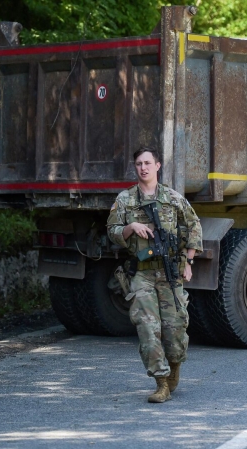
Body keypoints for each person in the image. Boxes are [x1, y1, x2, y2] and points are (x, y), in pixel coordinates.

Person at [106, 146, 202, 403]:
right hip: (142, 274)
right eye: (138, 164)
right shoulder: (125, 200)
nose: (143, 168)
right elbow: (111, 230)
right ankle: (161, 382)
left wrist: (189, 261)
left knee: (176, 328)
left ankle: (175, 367)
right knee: (148, 328)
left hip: (170, 272)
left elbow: (193, 226)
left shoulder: (173, 198)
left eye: (148, 163)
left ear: (158, 166)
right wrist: (130, 227)